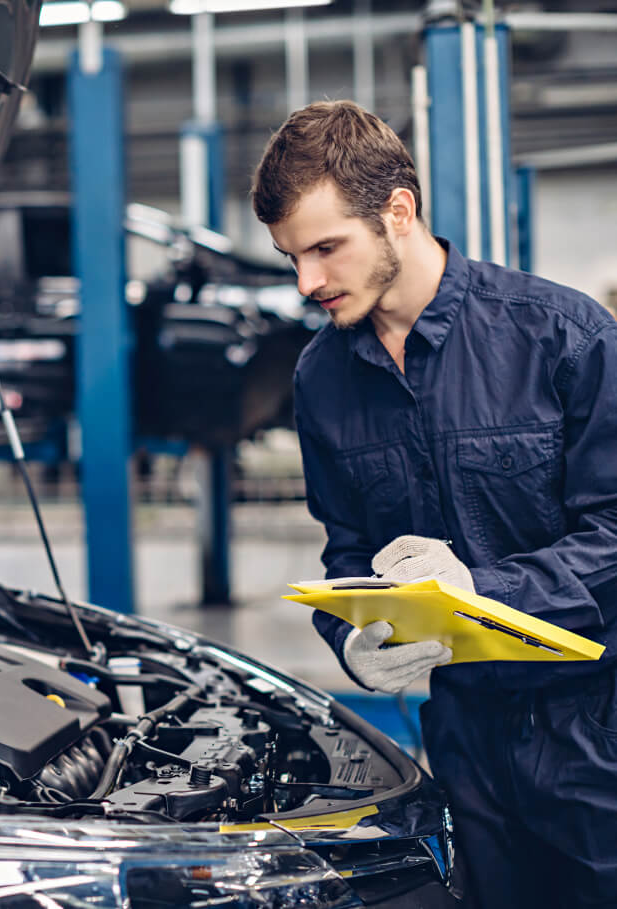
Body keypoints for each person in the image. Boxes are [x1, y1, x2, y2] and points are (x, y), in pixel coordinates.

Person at [251, 99, 617, 909]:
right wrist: (353, 640)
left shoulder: (562, 336)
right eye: (291, 258)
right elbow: (345, 554)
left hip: (594, 729)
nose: (307, 281)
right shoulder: (321, 378)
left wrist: (482, 592)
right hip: (461, 738)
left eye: (324, 248)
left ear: (399, 211)